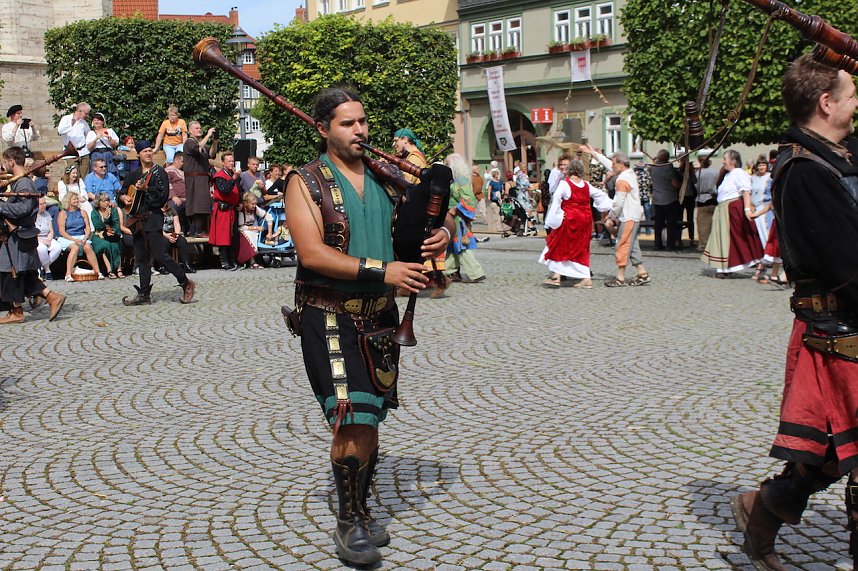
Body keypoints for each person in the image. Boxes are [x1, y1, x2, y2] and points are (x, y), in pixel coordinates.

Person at [285, 86, 452, 567]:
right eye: (347, 123)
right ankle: (348, 522)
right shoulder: (304, 181)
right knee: (352, 416)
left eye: (362, 121)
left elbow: (428, 220)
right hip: (328, 313)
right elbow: (312, 254)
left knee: (372, 415)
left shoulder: (385, 177)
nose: (359, 130)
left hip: (380, 317)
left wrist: (441, 233)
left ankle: (360, 507)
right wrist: (386, 271)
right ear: (323, 129)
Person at [730, 54, 858, 571]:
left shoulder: (838, 153)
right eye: (851, 94)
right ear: (826, 103)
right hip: (839, 326)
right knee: (843, 448)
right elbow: (849, 268)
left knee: (832, 451)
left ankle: (765, 510)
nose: (857, 102)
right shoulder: (805, 171)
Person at [118, 140, 194, 305]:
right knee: (142, 258)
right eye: (144, 151)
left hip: (153, 218)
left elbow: (162, 197)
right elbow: (122, 192)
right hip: (137, 221)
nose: (148, 153)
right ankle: (144, 294)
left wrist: (146, 189)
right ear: (138, 154)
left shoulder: (159, 173)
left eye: (149, 150)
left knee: (161, 255)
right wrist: (123, 197)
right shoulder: (133, 174)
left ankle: (185, 283)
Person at [0, 147, 66, 323]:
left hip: (19, 234)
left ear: (11, 161)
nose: (4, 165)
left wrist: (0, 206)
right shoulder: (20, 182)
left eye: (5, 162)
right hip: (17, 235)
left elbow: (23, 209)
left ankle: (17, 312)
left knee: (11, 272)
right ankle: (52, 297)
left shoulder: (24, 183)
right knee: (22, 274)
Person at [539, 158, 611, 288]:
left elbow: (556, 200)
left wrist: (553, 218)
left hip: (570, 219)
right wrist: (613, 205)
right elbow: (600, 195)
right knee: (582, 248)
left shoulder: (565, 184)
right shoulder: (586, 185)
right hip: (586, 220)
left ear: (570, 170)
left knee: (559, 244)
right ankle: (585, 278)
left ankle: (556, 276)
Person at [585, 146, 650, 287]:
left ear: (621, 164)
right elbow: (609, 164)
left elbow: (618, 203)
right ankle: (642, 273)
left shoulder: (622, 180)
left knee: (622, 244)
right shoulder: (629, 173)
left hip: (628, 217)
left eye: (614, 164)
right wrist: (594, 154)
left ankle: (620, 278)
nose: (612, 166)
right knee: (632, 245)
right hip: (633, 216)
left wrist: (611, 217)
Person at [701, 149, 763, 277]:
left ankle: (732, 267)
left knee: (735, 238)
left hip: (732, 209)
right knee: (723, 239)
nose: (723, 162)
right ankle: (724, 268)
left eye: (725, 159)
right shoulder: (728, 174)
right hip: (724, 209)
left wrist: (747, 210)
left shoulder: (738, 173)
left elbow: (746, 191)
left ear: (733, 161)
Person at [443, 154, 485, 283]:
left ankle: (475, 273)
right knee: (453, 245)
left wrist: (455, 209)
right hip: (451, 217)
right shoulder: (454, 180)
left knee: (462, 246)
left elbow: (468, 198)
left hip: (457, 217)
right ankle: (449, 272)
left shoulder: (461, 180)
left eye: (447, 164)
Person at [56, 192, 103, 281]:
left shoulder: (82, 212)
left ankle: (98, 272)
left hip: (81, 236)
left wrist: (86, 237)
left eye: (77, 199)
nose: (77, 200)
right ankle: (68, 274)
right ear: (69, 201)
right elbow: (62, 231)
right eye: (74, 199)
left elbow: (88, 227)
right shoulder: (63, 213)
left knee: (88, 247)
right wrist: (74, 240)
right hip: (68, 237)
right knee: (75, 248)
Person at [183, 121, 216, 238]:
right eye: (196, 128)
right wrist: (208, 135)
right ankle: (197, 231)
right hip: (194, 178)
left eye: (200, 128)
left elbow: (212, 154)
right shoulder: (189, 142)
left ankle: (200, 230)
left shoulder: (200, 143)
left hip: (202, 177)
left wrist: (215, 141)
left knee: (203, 203)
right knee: (198, 203)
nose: (199, 130)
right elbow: (197, 149)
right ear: (190, 131)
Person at [650, 149, 681, 250]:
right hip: (669, 198)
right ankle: (670, 244)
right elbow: (675, 184)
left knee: (658, 223)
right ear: (667, 158)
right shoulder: (667, 167)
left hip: (657, 198)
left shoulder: (653, 167)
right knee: (671, 223)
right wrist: (682, 184)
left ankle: (657, 243)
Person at [90, 192, 123, 278]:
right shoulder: (94, 212)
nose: (107, 203)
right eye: (104, 201)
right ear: (98, 202)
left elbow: (116, 223)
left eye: (108, 200)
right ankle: (109, 270)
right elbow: (98, 226)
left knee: (115, 245)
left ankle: (118, 269)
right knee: (105, 245)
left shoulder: (113, 210)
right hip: (99, 234)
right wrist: (104, 218)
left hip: (111, 233)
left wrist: (112, 231)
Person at [236, 192, 273, 269]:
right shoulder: (241, 211)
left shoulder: (255, 208)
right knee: (249, 234)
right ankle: (252, 261)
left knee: (254, 234)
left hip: (252, 230)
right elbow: (241, 227)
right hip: (241, 231)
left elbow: (269, 217)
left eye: (255, 204)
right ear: (246, 203)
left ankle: (256, 259)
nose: (254, 205)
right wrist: (256, 228)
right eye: (252, 204)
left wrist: (269, 233)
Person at [57, 102, 91, 175]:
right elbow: (60, 131)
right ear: (80, 111)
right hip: (71, 152)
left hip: (83, 152)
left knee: (85, 176)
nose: (87, 116)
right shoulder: (66, 118)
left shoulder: (84, 122)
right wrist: (72, 123)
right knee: (73, 175)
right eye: (86, 113)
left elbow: (88, 135)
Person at [161, 201, 194, 274]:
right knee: (165, 243)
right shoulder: (156, 212)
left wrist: (176, 234)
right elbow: (156, 228)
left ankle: (187, 265)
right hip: (161, 234)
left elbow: (176, 224)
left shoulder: (171, 209)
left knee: (183, 242)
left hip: (172, 233)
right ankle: (163, 266)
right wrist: (166, 235)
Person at [695, 157, 719, 252]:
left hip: (702, 199)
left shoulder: (698, 173)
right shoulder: (716, 172)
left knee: (703, 226)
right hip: (714, 198)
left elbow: (695, 185)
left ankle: (704, 245)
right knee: (714, 224)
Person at [34, 196, 61, 280]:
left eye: (44, 203)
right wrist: (42, 240)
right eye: (41, 204)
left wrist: (49, 239)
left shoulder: (46, 214)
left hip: (47, 237)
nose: (44, 205)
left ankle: (42, 267)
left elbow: (51, 230)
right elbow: (32, 232)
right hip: (36, 238)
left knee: (57, 247)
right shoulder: (31, 216)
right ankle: (47, 270)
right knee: (42, 249)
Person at [165, 151, 187, 232]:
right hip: (174, 199)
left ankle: (192, 231)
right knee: (173, 206)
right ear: (176, 160)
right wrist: (173, 196)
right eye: (182, 161)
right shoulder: (168, 170)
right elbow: (167, 183)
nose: (183, 164)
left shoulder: (185, 171)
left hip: (187, 199)